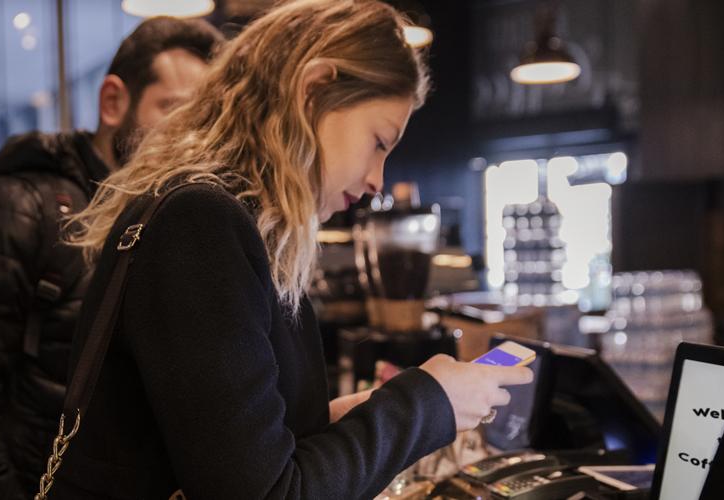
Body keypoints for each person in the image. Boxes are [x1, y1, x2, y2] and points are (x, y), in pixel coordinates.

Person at [48, 1, 533, 498]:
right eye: (378, 142)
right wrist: (429, 405)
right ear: (314, 89)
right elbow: (269, 492)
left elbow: (233, 446)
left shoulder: (236, 222)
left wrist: (372, 413)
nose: (375, 180)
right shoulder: (201, 223)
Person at [0, 17, 224, 500]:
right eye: (174, 112)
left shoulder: (162, 224)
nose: (191, 139)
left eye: (205, 122)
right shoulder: (17, 208)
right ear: (113, 102)